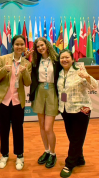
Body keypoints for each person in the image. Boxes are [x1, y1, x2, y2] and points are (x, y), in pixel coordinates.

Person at [0, 35, 32, 171]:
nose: (19, 47)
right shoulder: (4, 59)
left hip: (17, 102)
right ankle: (4, 154)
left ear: (24, 46)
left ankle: (19, 155)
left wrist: (25, 72)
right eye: (17, 44)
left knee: (18, 129)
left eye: (22, 44)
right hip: (2, 101)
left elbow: (27, 83)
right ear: (13, 45)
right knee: (3, 129)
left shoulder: (27, 63)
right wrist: (5, 69)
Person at [57, 49, 98, 178]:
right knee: (73, 137)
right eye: (62, 57)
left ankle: (69, 164)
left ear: (72, 59)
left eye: (67, 57)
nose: (64, 60)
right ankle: (79, 158)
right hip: (66, 109)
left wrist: (87, 77)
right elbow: (62, 91)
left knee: (76, 138)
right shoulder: (59, 73)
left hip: (81, 109)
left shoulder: (79, 71)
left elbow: (94, 87)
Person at [29, 37, 61, 168]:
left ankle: (53, 153)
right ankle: (47, 151)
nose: (40, 48)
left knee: (48, 128)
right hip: (40, 91)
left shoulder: (57, 60)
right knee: (41, 126)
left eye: (42, 45)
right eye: (37, 46)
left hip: (52, 90)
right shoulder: (36, 61)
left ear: (47, 45)